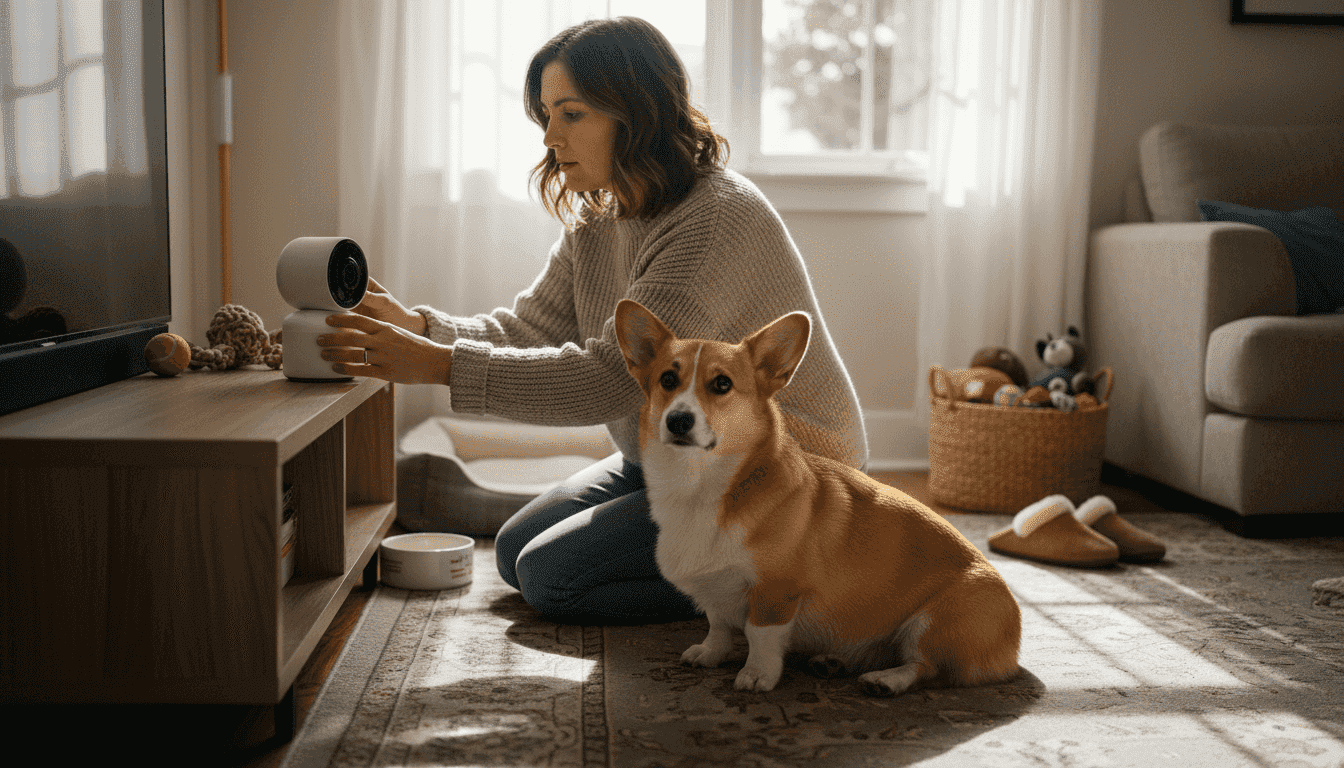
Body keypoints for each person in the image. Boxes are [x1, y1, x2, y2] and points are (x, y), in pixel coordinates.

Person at [317, 16, 867, 624]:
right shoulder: (603, 215)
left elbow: (609, 380)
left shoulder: (713, 220)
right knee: (513, 553)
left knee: (551, 578)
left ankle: (790, 580)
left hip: (781, 479)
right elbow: (529, 329)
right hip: (676, 459)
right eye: (546, 115)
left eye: (571, 114)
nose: (550, 137)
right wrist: (423, 330)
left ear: (636, 116)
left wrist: (440, 366)